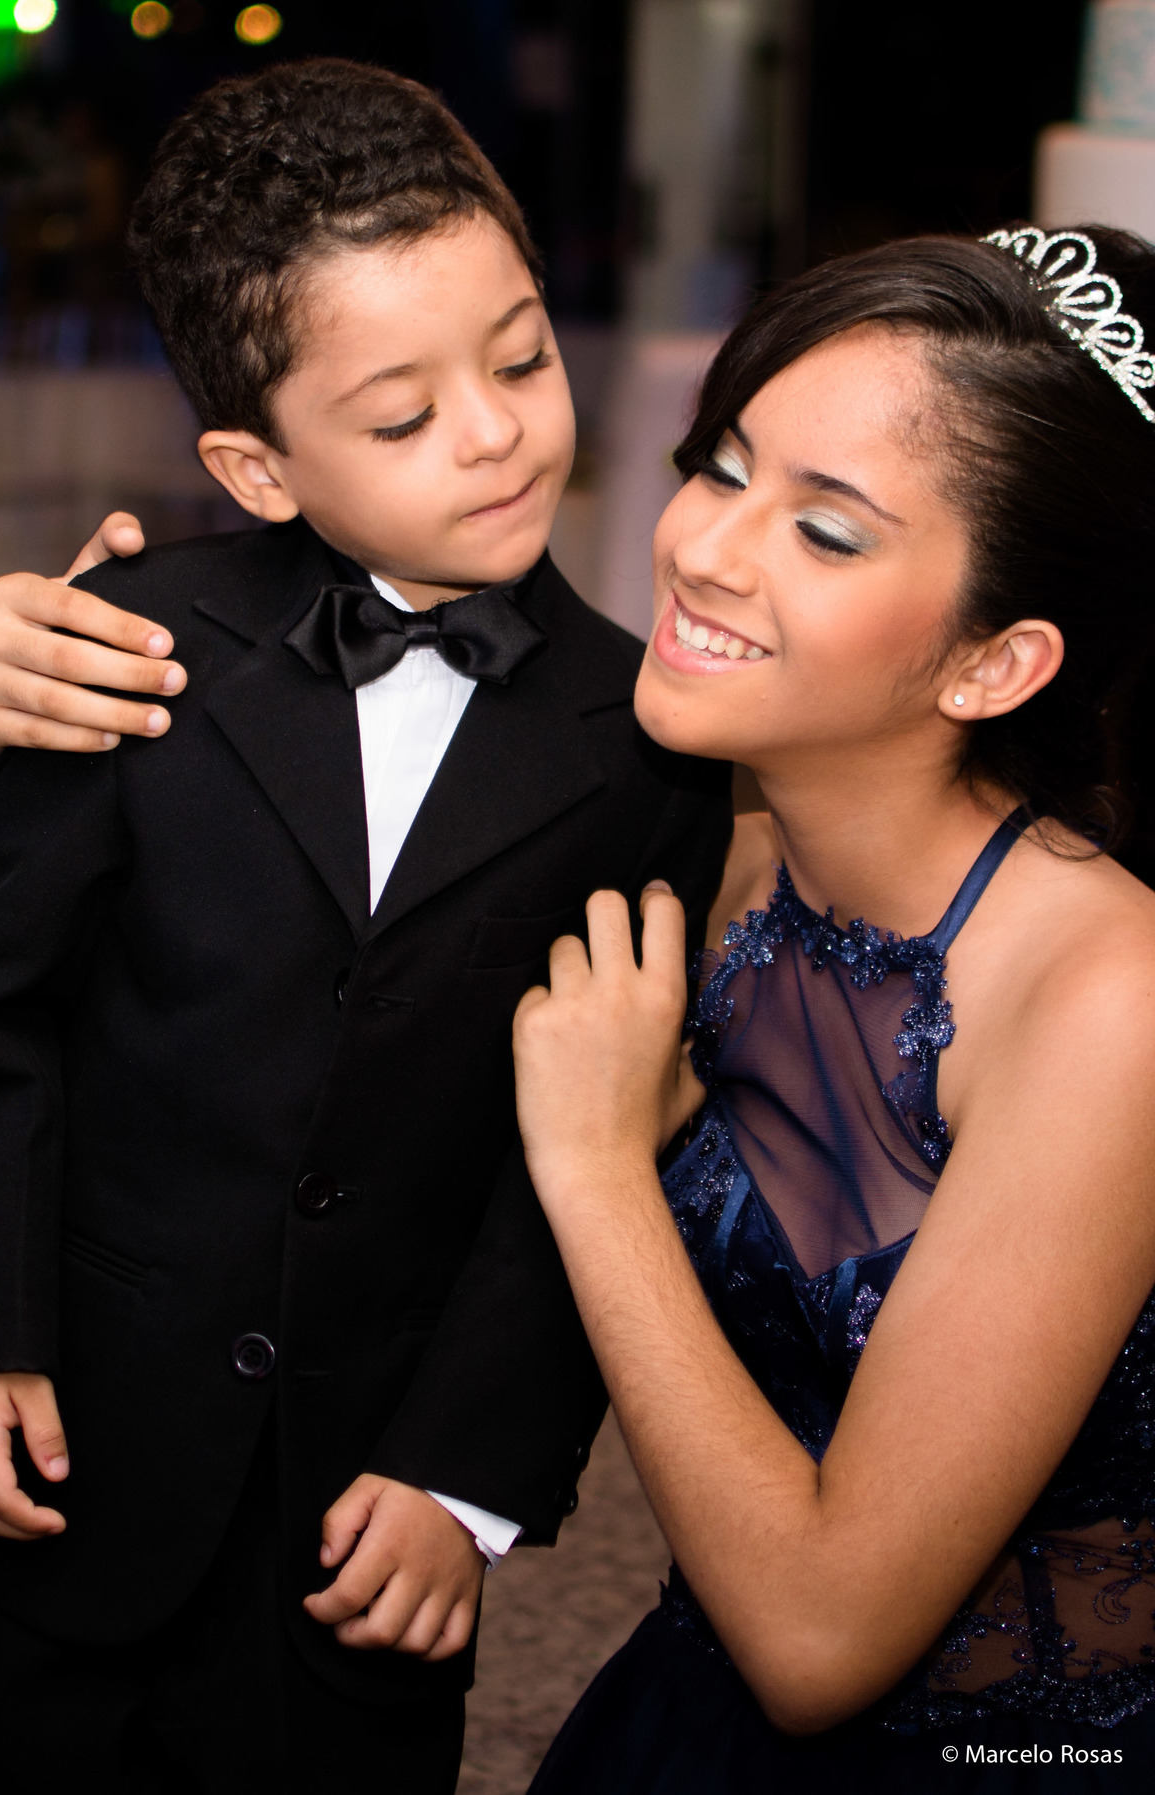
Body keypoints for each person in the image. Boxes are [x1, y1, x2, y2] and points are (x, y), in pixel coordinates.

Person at [0, 59, 731, 1793]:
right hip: (73, 1444)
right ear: (258, 468)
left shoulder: (649, 744)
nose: (495, 432)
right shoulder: (123, 648)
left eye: (520, 359)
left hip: (367, 1511)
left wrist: (468, 1475)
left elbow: (589, 1158)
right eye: (398, 417)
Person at [507, 227, 1155, 1790]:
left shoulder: (1108, 1000)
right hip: (687, 1703)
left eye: (827, 532)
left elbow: (819, 1642)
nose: (706, 549)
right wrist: (104, 646)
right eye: (722, 468)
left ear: (996, 662)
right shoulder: (721, 873)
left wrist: (597, 1169)